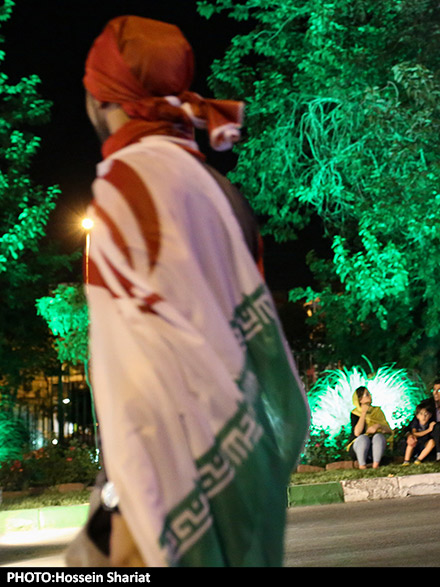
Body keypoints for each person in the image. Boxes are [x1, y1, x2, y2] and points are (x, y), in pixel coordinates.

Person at [69, 16, 310, 567]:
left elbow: (136, 380)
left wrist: (133, 508)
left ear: (106, 97)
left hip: (166, 475)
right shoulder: (217, 189)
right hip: (240, 453)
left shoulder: (125, 190)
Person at [348, 387, 393, 469]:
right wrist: (363, 413)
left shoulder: (377, 411)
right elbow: (357, 433)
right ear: (360, 399)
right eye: (367, 395)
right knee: (363, 438)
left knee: (378, 437)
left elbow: (389, 430)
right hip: (358, 447)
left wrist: (379, 426)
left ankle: (376, 465)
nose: (370, 396)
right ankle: (362, 465)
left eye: (369, 394)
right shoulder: (355, 413)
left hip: (374, 447)